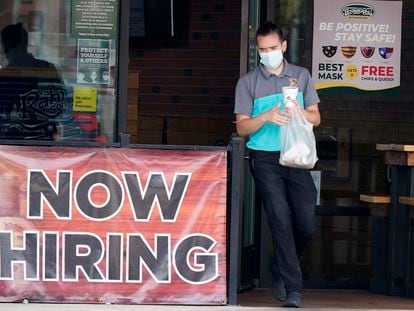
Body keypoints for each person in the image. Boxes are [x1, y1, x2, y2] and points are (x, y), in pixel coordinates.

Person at [234, 21, 321, 308]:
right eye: (262, 50)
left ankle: (282, 265)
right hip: (265, 157)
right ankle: (293, 288)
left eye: (273, 48)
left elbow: (316, 118)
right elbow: (243, 128)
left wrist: (298, 111)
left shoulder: (301, 76)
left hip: (295, 155)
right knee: (280, 219)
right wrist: (267, 116)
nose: (268, 53)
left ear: (283, 46)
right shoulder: (248, 82)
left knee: (306, 221)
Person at [0, 22, 66, 140]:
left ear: (6, 46)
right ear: (26, 43)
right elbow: (61, 107)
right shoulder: (49, 68)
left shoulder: (5, 76)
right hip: (45, 142)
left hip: (12, 144)